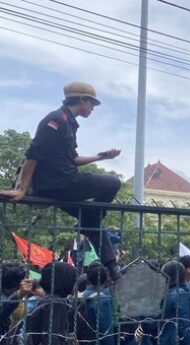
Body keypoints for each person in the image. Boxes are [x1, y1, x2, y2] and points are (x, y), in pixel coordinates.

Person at [0, 83, 122, 280]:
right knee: (113, 183)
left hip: (61, 186)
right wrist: (22, 189)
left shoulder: (70, 123)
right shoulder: (57, 119)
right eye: (92, 103)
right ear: (81, 100)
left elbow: (73, 158)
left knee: (91, 221)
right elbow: (33, 154)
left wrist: (101, 157)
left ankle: (112, 267)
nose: (93, 108)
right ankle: (91, 219)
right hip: (64, 183)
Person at [25, 262, 78, 345]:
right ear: (63, 280)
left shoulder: (47, 301)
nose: (75, 284)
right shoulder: (56, 304)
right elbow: (52, 344)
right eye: (73, 279)